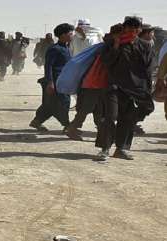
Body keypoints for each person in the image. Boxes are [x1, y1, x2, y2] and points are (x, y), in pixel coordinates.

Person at [96, 16, 154, 161]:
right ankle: (105, 149)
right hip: (113, 87)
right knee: (110, 117)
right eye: (129, 29)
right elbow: (106, 61)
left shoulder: (145, 46)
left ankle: (121, 148)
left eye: (136, 29)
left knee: (128, 119)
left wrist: (146, 90)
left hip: (134, 89)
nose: (133, 32)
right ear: (124, 28)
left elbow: (148, 69)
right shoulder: (112, 43)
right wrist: (116, 43)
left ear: (140, 30)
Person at [65, 25, 122, 141]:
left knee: (98, 108)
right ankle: (72, 128)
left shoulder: (105, 44)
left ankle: (103, 133)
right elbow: (107, 61)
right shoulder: (107, 46)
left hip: (98, 82)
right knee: (87, 108)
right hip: (94, 82)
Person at [30, 23, 74, 132]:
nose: (72, 35)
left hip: (63, 81)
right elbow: (48, 65)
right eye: (70, 33)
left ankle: (37, 121)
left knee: (49, 105)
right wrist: (50, 82)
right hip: (55, 81)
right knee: (63, 103)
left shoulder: (66, 48)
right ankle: (67, 126)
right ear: (63, 35)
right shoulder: (55, 49)